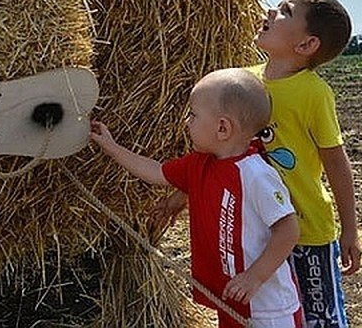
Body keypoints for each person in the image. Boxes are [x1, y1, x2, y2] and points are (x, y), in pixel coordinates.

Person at [152, 0, 362, 328]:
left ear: (306, 45)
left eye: (285, 11)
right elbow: (222, 158)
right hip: (256, 237)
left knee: (318, 319)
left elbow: (336, 162)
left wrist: (350, 229)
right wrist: (180, 196)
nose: (269, 12)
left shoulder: (313, 93)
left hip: (307, 231)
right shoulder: (243, 83)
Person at [90, 68, 304, 328]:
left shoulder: (257, 175)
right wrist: (112, 148)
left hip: (269, 309)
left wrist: (255, 277)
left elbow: (288, 230)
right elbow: (155, 171)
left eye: (193, 115)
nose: (187, 122)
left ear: (222, 128)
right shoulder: (199, 164)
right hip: (232, 299)